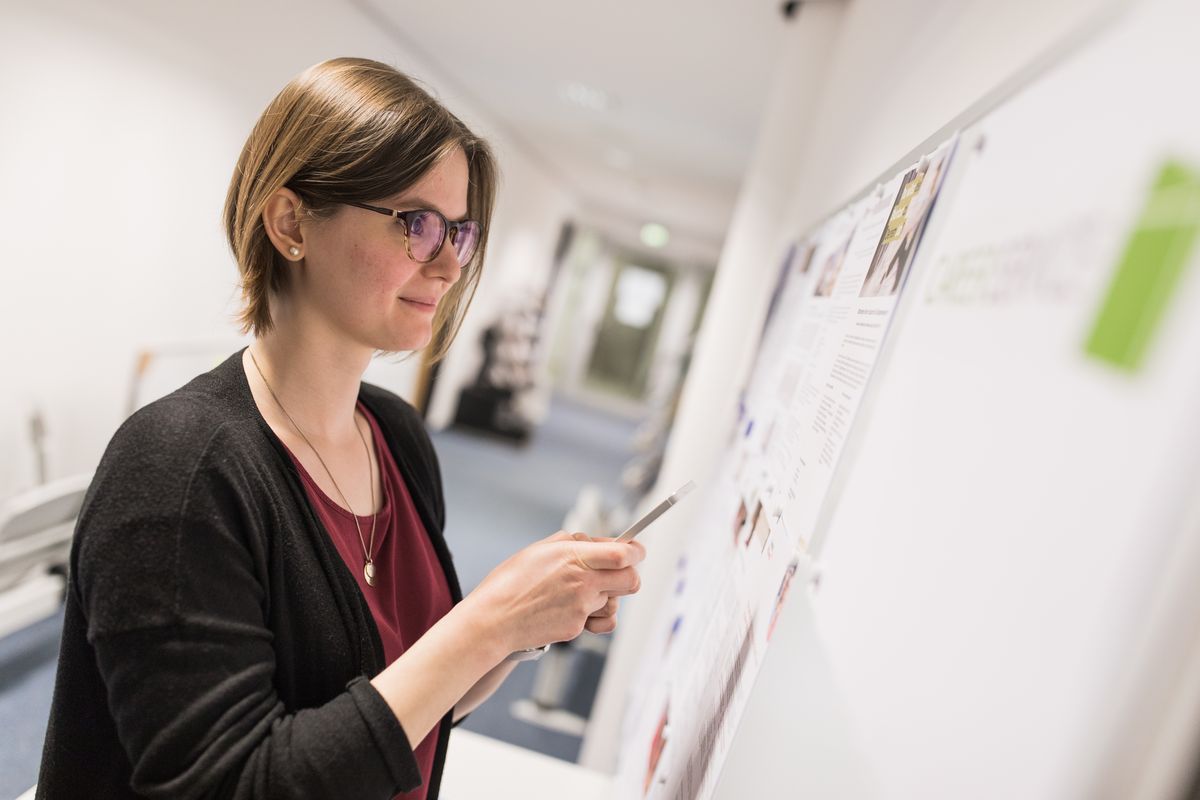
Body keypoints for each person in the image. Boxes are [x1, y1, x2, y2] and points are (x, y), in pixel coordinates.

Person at [36, 57, 645, 800]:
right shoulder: (179, 467)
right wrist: (485, 622)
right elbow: (232, 784)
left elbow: (408, 703)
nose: (450, 265)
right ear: (291, 222)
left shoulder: (395, 436)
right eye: (417, 225)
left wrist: (526, 623)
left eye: (461, 231)